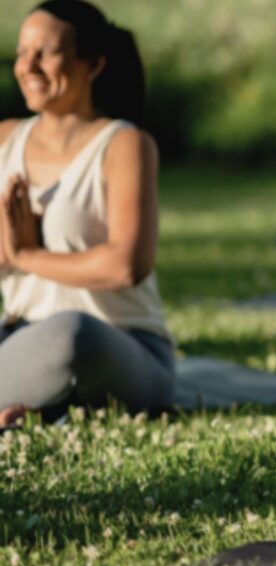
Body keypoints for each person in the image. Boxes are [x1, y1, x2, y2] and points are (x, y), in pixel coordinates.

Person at [0, 0, 174, 427]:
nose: (28, 66)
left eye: (46, 53)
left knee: (70, 335)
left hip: (115, 345)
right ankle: (30, 401)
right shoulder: (4, 139)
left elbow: (125, 266)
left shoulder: (124, 145)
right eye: (23, 52)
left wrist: (28, 256)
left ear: (92, 65)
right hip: (17, 339)